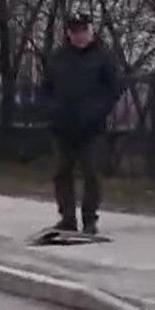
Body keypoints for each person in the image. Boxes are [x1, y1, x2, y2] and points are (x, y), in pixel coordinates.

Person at [40, 12, 123, 235]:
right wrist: (52, 110)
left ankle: (89, 219)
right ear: (69, 33)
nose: (80, 36)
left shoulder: (103, 57)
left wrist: (96, 111)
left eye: (84, 30)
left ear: (91, 30)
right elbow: (45, 88)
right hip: (62, 126)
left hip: (91, 127)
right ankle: (67, 217)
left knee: (91, 173)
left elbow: (113, 89)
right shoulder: (57, 57)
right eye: (75, 31)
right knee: (62, 173)